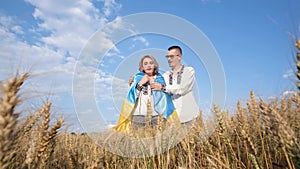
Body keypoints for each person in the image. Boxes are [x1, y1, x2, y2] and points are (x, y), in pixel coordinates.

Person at [113, 55, 180, 133]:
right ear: (142, 67)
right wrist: (141, 83)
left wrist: (161, 87)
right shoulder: (138, 78)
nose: (148, 65)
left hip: (157, 116)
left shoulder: (160, 79)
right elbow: (132, 95)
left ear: (155, 65)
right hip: (138, 116)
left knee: (157, 142)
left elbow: (168, 95)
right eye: (145, 64)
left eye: (151, 63)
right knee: (138, 141)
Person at [150, 45, 199, 126]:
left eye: (171, 56)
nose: (169, 59)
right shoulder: (165, 75)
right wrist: (135, 84)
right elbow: (156, 89)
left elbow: (183, 88)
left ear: (179, 57)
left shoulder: (189, 70)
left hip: (190, 117)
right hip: (173, 119)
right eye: (167, 57)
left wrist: (162, 87)